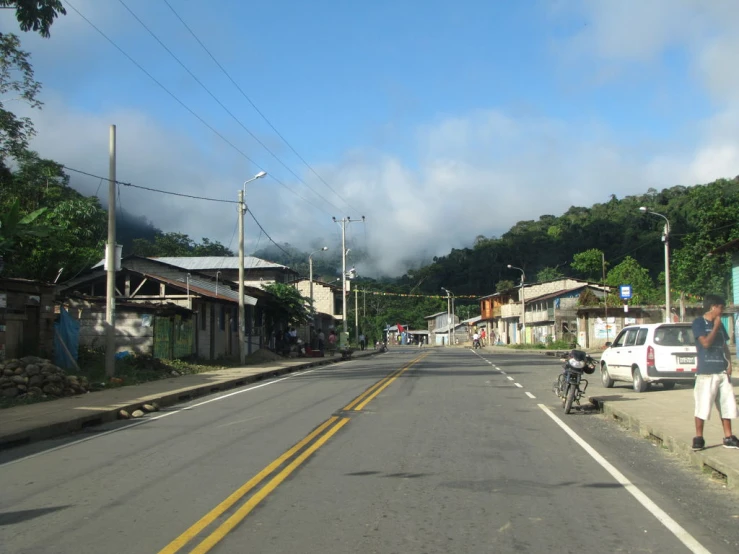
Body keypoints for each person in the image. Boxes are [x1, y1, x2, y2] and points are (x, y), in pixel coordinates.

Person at [691, 294, 738, 450]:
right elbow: (705, 343)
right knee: (703, 405)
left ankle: (728, 436)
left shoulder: (720, 325)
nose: (722, 311)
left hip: (721, 371)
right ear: (713, 307)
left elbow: (724, 345)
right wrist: (716, 326)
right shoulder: (699, 323)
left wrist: (729, 363)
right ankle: (699, 437)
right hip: (706, 372)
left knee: (727, 405)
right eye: (721, 307)